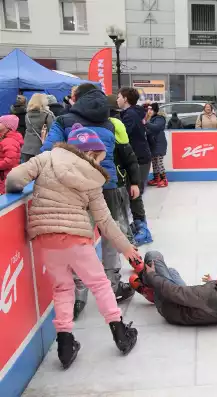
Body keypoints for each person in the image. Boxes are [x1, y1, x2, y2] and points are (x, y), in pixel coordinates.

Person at [6, 125, 141, 369]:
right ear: (91, 153)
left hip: (44, 236)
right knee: (99, 284)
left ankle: (65, 345)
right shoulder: (91, 176)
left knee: (62, 288)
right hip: (76, 237)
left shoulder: (46, 158)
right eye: (99, 157)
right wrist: (126, 248)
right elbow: (104, 221)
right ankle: (120, 332)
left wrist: (15, 194)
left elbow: (14, 178)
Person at [42, 83, 136, 318]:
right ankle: (114, 285)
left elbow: (47, 151)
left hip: (76, 189)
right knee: (111, 234)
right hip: (108, 184)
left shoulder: (63, 121)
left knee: (77, 240)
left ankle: (78, 294)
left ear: (76, 98)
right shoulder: (109, 122)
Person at [130, 251, 217, 326]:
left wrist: (152, 275)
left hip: (169, 307)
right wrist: (214, 282)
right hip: (188, 306)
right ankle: (152, 289)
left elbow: (174, 292)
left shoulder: (206, 294)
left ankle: (145, 278)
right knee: (172, 271)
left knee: (153, 255)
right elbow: (214, 297)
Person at [117, 87, 153, 246]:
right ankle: (139, 225)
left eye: (119, 97)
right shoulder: (133, 113)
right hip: (138, 157)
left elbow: (125, 136)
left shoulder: (130, 115)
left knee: (135, 193)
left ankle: (142, 229)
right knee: (134, 193)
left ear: (125, 99)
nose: (117, 99)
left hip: (138, 158)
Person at [106, 94, 141, 247]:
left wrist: (134, 182)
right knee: (119, 219)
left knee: (120, 219)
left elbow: (129, 157)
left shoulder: (115, 124)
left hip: (117, 180)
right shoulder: (112, 122)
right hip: (113, 180)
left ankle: (134, 255)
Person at [22, 93, 54, 163]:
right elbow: (52, 130)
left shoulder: (27, 115)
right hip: (41, 147)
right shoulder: (48, 114)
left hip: (26, 146)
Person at [146, 103, 168, 188]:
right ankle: (156, 178)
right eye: (148, 110)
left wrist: (146, 123)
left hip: (159, 143)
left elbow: (156, 127)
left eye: (151, 110)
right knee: (154, 162)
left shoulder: (160, 119)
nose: (149, 111)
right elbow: (148, 131)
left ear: (155, 110)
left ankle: (164, 179)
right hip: (153, 144)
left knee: (159, 162)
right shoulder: (150, 119)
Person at [0, 115, 23, 194]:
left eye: (0, 122)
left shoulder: (9, 141)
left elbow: (10, 161)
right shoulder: (3, 138)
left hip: (5, 177)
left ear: (7, 126)